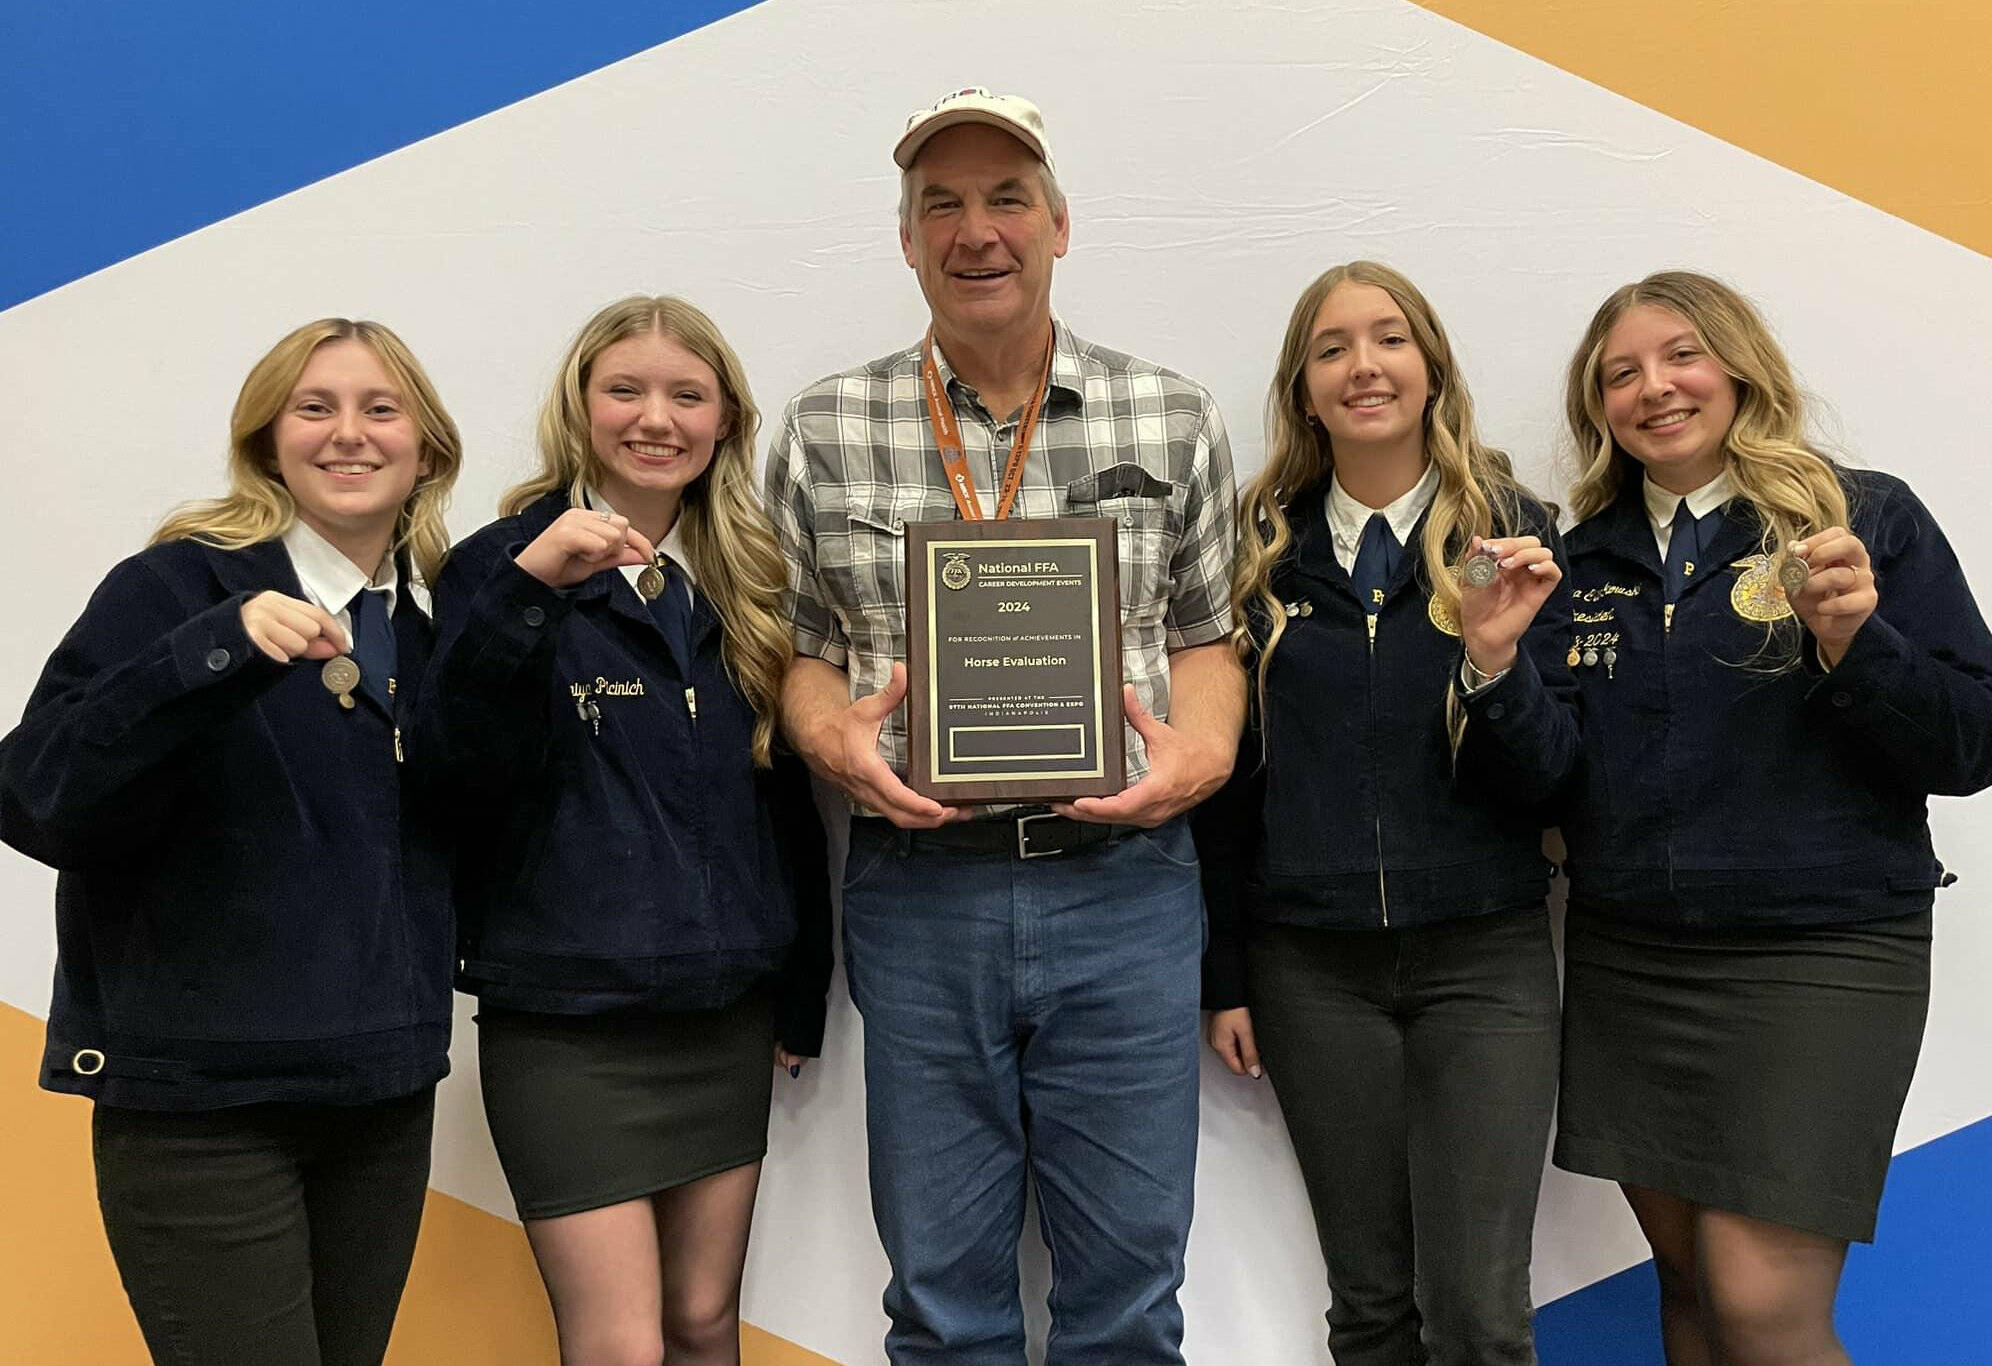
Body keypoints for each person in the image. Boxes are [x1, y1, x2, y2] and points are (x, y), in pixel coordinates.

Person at [763, 89, 1242, 1365]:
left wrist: (1198, 755)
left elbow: (1207, 636)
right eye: (942, 206)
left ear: (1060, 225)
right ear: (907, 240)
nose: (976, 231)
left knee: (1130, 1298)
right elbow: (801, 651)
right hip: (920, 894)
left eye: (1005, 198)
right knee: (940, 1298)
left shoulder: (1173, 416)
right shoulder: (822, 427)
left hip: (1126, 891)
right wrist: (826, 736)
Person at [1552, 271, 1992, 1366]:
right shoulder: (1580, 563)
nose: (1652, 388)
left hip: (1822, 956)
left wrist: (1860, 646)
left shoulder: (1862, 520)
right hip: (1631, 960)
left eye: (1679, 356)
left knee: (1761, 1306)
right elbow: (1548, 776)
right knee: (1687, 1289)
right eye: (1618, 373)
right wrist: (1486, 668)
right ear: (1597, 409)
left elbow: (1978, 741)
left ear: (1738, 366)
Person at [0, 319, 462, 1366]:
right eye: (315, 407)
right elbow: (37, 797)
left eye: (379, 409)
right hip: (200, 1106)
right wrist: (213, 653)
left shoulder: (427, 632)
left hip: (378, 1099)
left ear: (425, 449)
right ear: (267, 443)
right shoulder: (172, 592)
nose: (349, 434)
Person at [418, 295, 830, 1366]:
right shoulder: (498, 566)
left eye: (686, 394)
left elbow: (782, 803)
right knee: (620, 1345)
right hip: (565, 1022)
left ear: (725, 418)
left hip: (722, 1014)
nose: (656, 417)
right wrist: (531, 593)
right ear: (580, 408)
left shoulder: (746, 578)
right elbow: (455, 766)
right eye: (626, 390)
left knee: (701, 1324)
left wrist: (801, 984)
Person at [1193, 261, 1576, 1365]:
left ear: (1430, 368)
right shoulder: (1254, 552)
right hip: (1310, 970)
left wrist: (1495, 663)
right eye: (1331, 347)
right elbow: (1225, 789)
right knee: (1366, 1307)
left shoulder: (1515, 538)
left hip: (1484, 960)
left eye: (1389, 338)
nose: (1363, 364)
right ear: (1301, 389)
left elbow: (1555, 785)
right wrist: (1224, 976)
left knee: (1478, 1314)